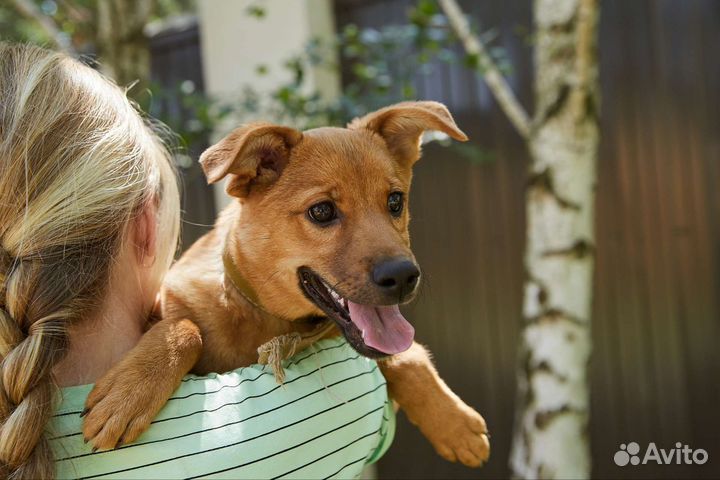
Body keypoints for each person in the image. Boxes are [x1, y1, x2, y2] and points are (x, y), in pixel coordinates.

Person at [0, 43, 394, 480]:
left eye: (395, 203)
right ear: (146, 225)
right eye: (322, 213)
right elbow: (373, 399)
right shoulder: (321, 410)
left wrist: (179, 338)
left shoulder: (19, 436)